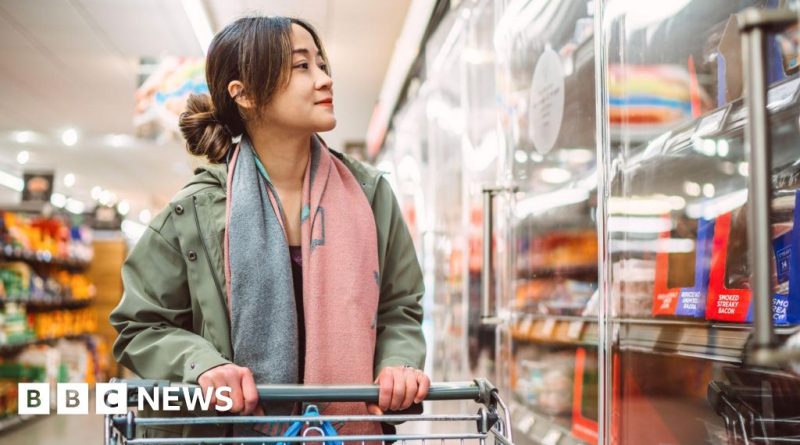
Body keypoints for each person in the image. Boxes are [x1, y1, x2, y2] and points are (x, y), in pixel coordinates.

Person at [110, 15, 429, 439]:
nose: (324, 79)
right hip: (233, 432)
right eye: (302, 66)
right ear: (244, 94)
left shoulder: (370, 196)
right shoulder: (195, 212)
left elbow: (399, 307)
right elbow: (141, 323)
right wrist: (203, 364)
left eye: (322, 63)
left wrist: (398, 362)